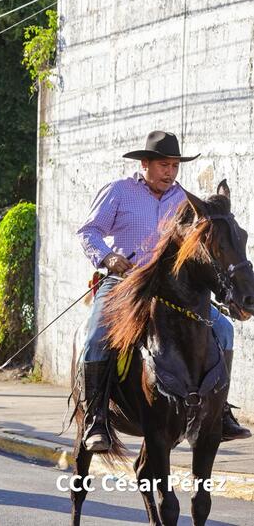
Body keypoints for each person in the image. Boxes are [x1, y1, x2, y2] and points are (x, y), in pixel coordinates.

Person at [77, 130, 249, 452]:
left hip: (172, 289)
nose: (170, 173)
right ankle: (96, 418)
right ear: (145, 164)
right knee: (95, 336)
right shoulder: (119, 191)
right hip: (125, 282)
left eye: (174, 166)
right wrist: (108, 257)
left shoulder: (184, 201)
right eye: (163, 166)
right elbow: (89, 231)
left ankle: (221, 412)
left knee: (224, 330)